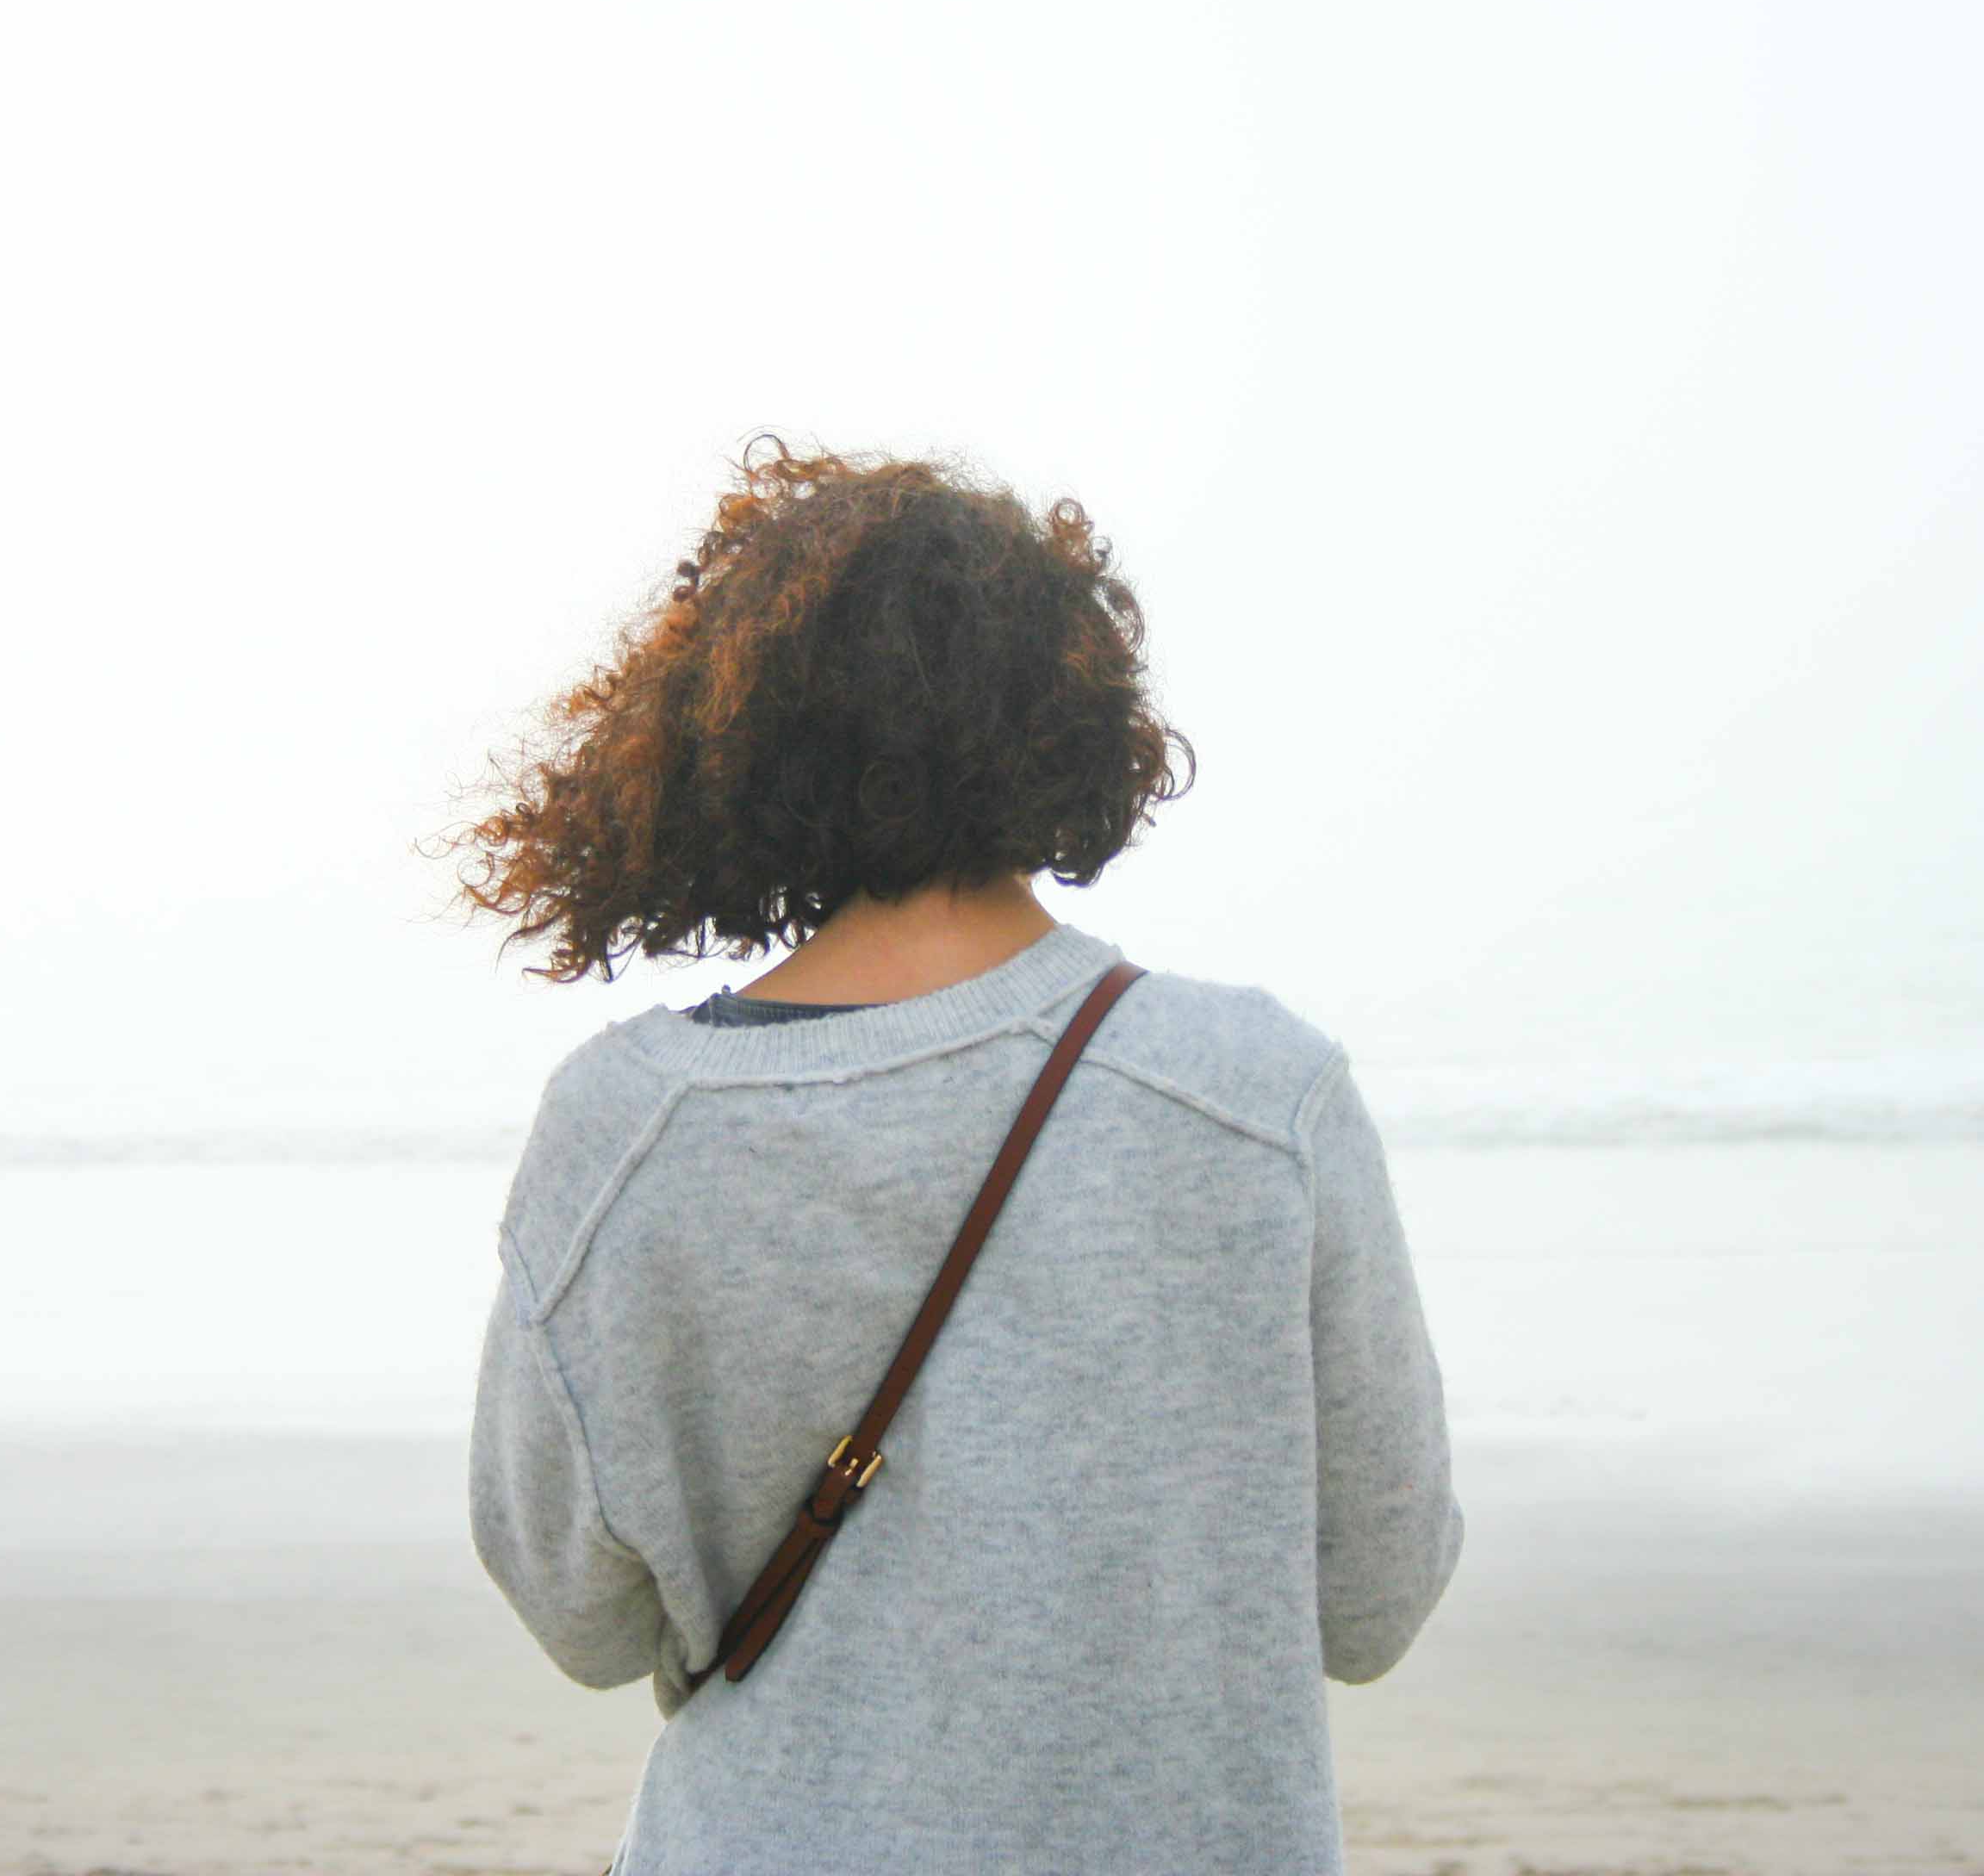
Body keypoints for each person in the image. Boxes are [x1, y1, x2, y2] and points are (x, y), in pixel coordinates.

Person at [437, 434, 1463, 1873]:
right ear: (1073, 723)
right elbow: (1378, 1595)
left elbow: (580, 1618)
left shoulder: (634, 1129)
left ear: (731, 745)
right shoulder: (1258, 1098)